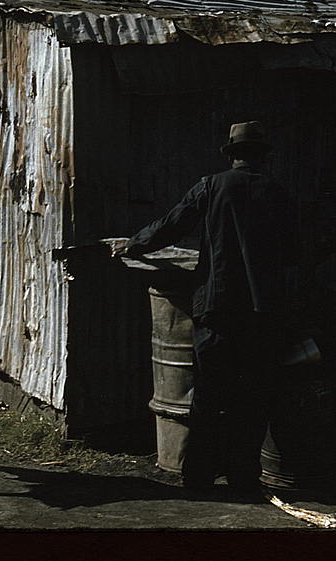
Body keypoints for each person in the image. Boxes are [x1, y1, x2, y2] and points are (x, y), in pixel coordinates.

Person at [113, 121, 300, 499]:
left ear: (232, 155)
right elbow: (294, 252)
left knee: (210, 396)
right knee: (251, 397)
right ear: (262, 156)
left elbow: (172, 224)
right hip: (262, 312)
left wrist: (135, 245)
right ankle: (243, 477)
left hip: (216, 307)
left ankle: (197, 478)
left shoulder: (212, 186)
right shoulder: (278, 193)